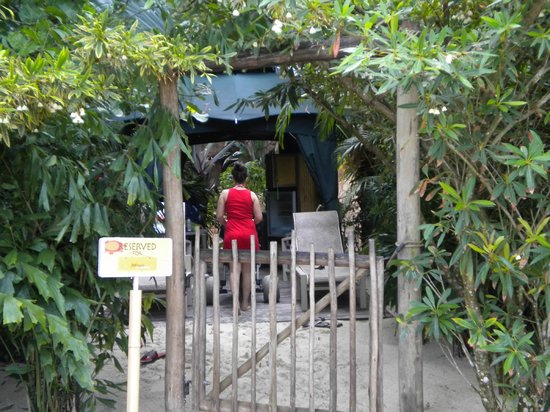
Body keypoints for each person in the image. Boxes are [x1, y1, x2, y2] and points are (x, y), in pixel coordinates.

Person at [216, 162, 263, 311]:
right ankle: (245, 304)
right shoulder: (252, 195)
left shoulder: (225, 194)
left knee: (233, 270)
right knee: (248, 271)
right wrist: (249, 224)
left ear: (233, 178)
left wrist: (227, 224)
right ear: (246, 178)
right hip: (248, 234)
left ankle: (235, 302)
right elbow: (259, 217)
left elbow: (219, 216)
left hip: (232, 233)